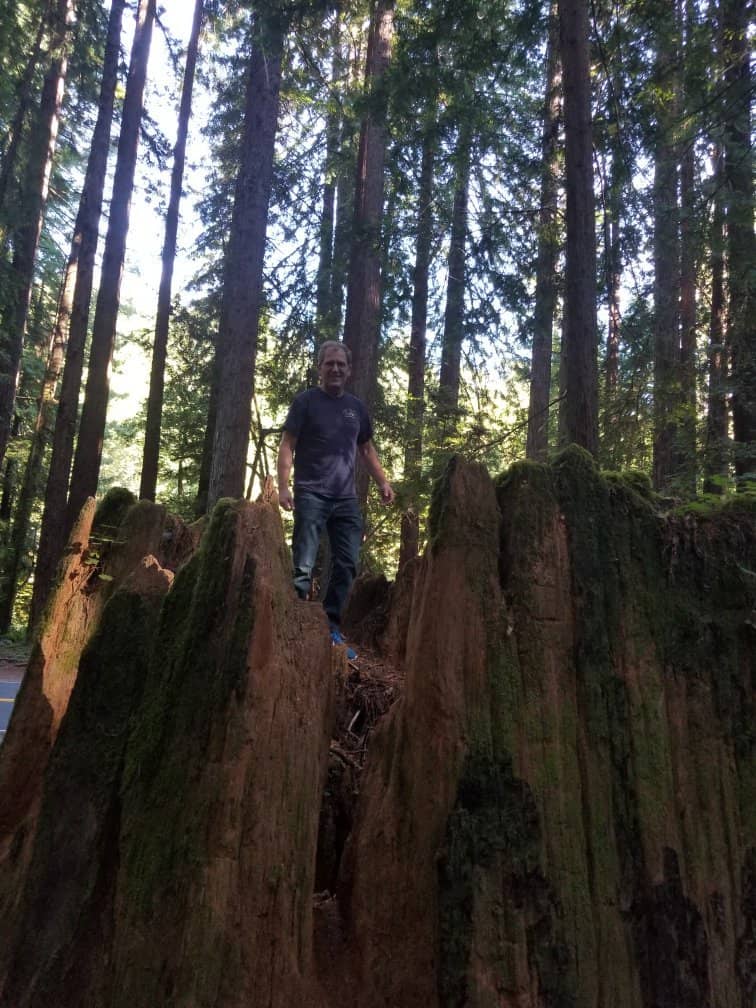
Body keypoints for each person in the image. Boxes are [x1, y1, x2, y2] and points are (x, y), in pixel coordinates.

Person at [277, 341, 394, 659]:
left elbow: (366, 449)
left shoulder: (356, 408)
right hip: (311, 492)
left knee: (347, 563)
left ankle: (330, 627)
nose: (336, 369)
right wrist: (284, 486)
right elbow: (288, 443)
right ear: (320, 367)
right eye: (330, 363)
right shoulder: (306, 402)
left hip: (346, 499)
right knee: (303, 564)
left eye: (341, 364)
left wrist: (383, 481)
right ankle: (295, 625)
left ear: (349, 370)